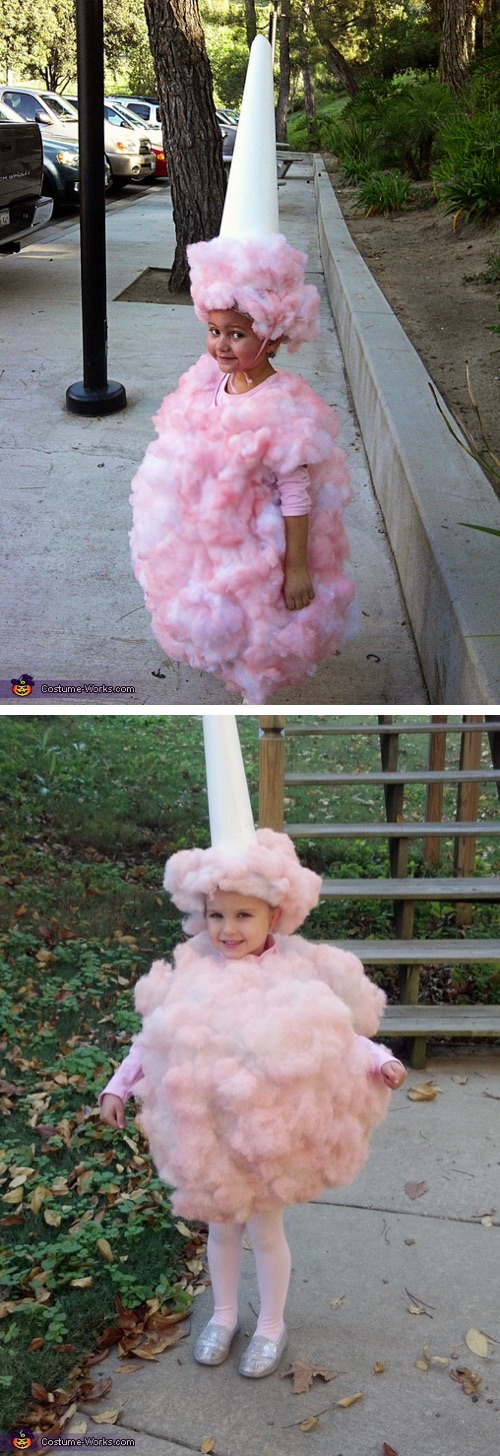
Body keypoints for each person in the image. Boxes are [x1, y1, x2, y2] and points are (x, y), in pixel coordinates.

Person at [100, 828, 406, 1379]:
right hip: (211, 1129)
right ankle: (222, 1316)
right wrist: (118, 1086)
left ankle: (270, 1324)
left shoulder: (293, 971)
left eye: (244, 916)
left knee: (265, 1230)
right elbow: (154, 1038)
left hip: (267, 1132)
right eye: (217, 915)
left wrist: (378, 1058)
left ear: (274, 915)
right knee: (220, 1227)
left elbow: (333, 1033)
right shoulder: (193, 968)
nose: (228, 929)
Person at [129, 35, 358, 704]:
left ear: (274, 330)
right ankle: (226, 658)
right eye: (213, 330)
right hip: (216, 541)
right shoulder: (207, 385)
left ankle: (253, 676)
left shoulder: (285, 408)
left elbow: (295, 497)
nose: (222, 345)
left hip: (261, 551)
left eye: (237, 334)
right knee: (217, 607)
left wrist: (293, 566)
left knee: (258, 624)